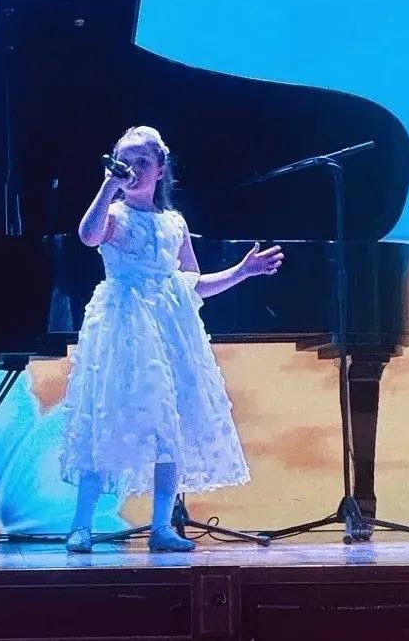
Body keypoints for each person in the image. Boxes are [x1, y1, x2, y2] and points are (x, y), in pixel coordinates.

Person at [60, 125, 283, 553]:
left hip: (169, 330)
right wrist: (109, 186)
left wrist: (242, 272)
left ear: (161, 169)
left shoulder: (174, 223)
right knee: (106, 416)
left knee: (169, 421)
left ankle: (162, 526)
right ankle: (82, 524)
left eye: (143, 162)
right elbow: (88, 235)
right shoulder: (116, 214)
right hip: (124, 327)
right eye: (126, 161)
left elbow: (191, 283)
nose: (134, 168)